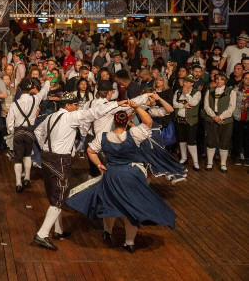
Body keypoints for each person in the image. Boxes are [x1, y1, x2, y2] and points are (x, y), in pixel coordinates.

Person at [66, 102, 177, 254]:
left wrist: (100, 166)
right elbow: (149, 122)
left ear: (113, 121)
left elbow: (90, 150)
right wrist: (137, 107)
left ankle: (107, 232)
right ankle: (129, 242)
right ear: (126, 122)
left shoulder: (103, 136)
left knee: (110, 203)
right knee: (132, 208)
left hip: (112, 173)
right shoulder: (135, 134)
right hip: (132, 174)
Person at [32, 93, 126, 251]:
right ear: (68, 105)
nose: (77, 107)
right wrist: (115, 104)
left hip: (46, 157)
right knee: (60, 196)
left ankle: (58, 230)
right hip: (60, 159)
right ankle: (42, 234)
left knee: (54, 195)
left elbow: (38, 132)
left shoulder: (51, 117)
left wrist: (47, 147)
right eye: (75, 105)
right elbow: (93, 113)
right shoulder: (70, 117)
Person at [6, 77, 50, 192]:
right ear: (30, 89)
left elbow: (9, 122)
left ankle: (18, 183)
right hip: (30, 131)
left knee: (17, 158)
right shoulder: (35, 99)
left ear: (20, 89)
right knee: (27, 155)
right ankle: (27, 177)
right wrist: (47, 81)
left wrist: (11, 131)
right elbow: (44, 91)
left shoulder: (15, 104)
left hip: (18, 132)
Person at [204, 71, 235, 172]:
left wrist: (220, 117)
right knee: (211, 141)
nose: (218, 81)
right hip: (212, 118)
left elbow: (231, 108)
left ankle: (223, 164)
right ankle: (209, 163)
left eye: (221, 79)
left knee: (224, 142)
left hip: (226, 120)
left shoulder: (231, 91)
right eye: (217, 79)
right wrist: (214, 116)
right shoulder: (210, 90)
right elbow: (206, 106)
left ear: (225, 81)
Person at [173, 74, 202, 171]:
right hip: (179, 119)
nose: (186, 83)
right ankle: (184, 158)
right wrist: (183, 105)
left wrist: (186, 94)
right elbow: (174, 104)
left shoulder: (196, 92)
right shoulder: (178, 91)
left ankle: (195, 162)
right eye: (185, 81)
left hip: (191, 120)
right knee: (181, 140)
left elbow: (193, 103)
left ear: (192, 83)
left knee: (191, 141)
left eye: (188, 82)